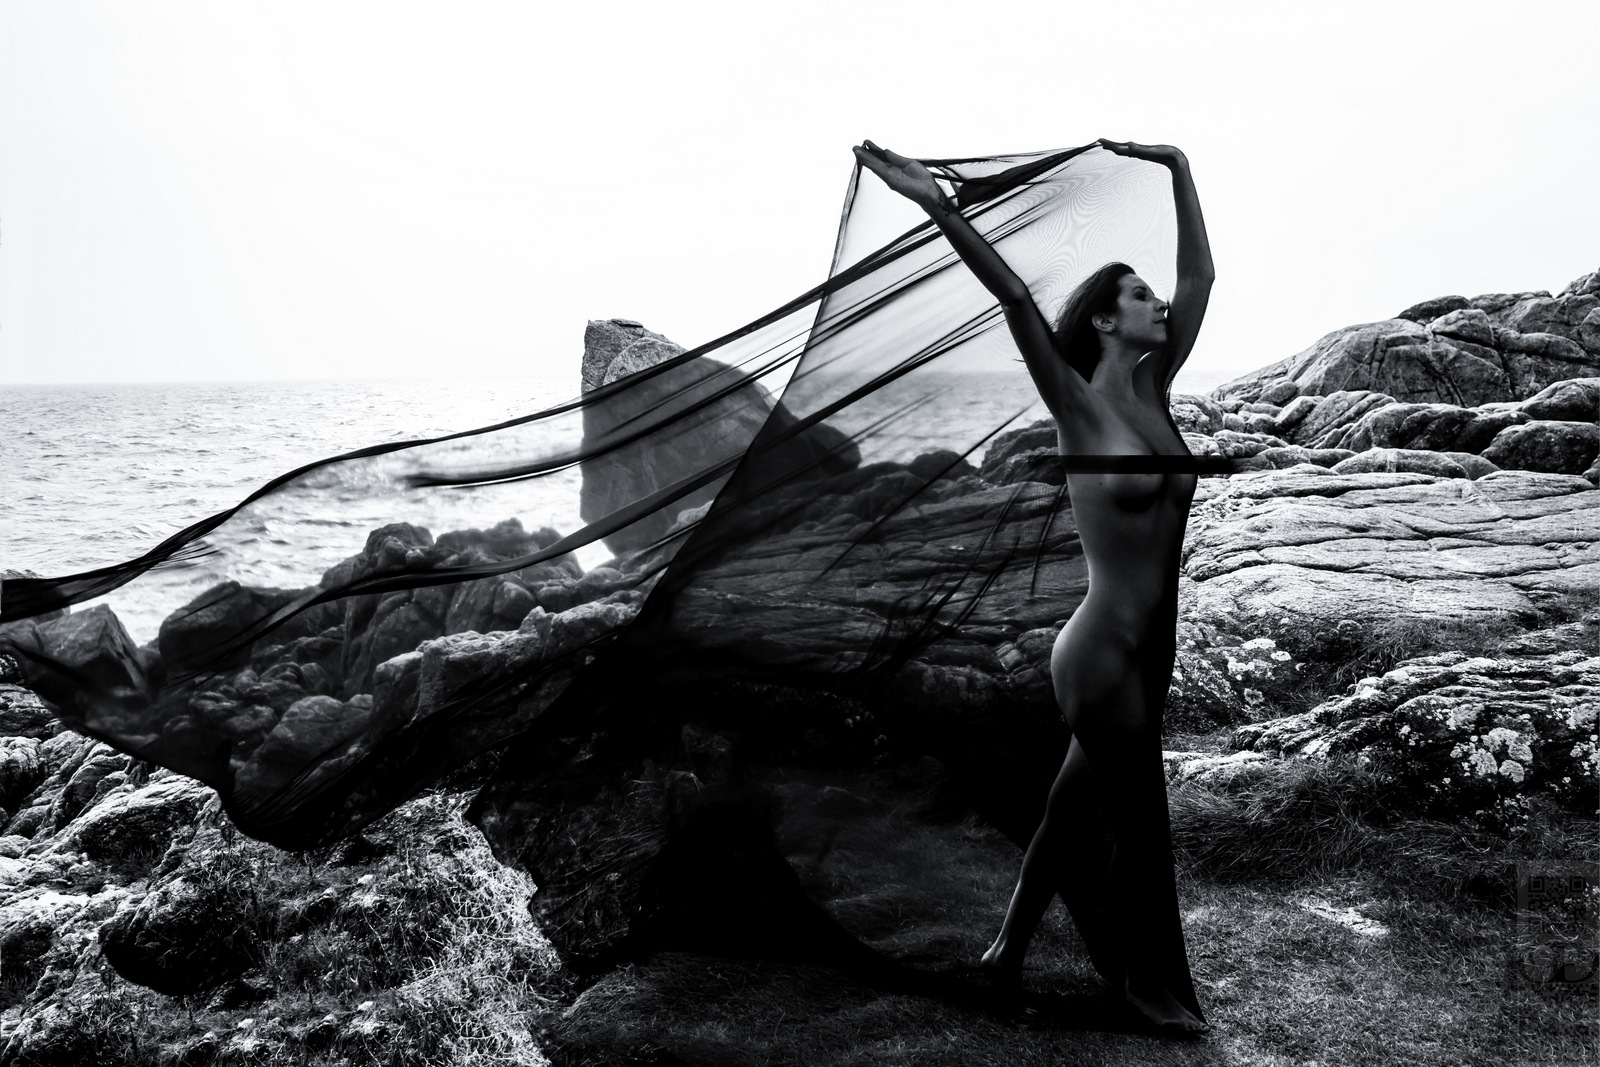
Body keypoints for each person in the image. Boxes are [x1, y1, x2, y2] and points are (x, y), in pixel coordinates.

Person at [853, 138, 1215, 1034]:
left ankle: (1005, 953)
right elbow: (1015, 298)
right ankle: (1141, 983)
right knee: (1141, 815)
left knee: (1068, 807)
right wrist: (937, 204)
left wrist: (1178, 167)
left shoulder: (1155, 389)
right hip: (1099, 653)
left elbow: (1200, 276)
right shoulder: (1076, 404)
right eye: (1140, 296)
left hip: (1151, 653)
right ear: (1105, 322)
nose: (1159, 304)